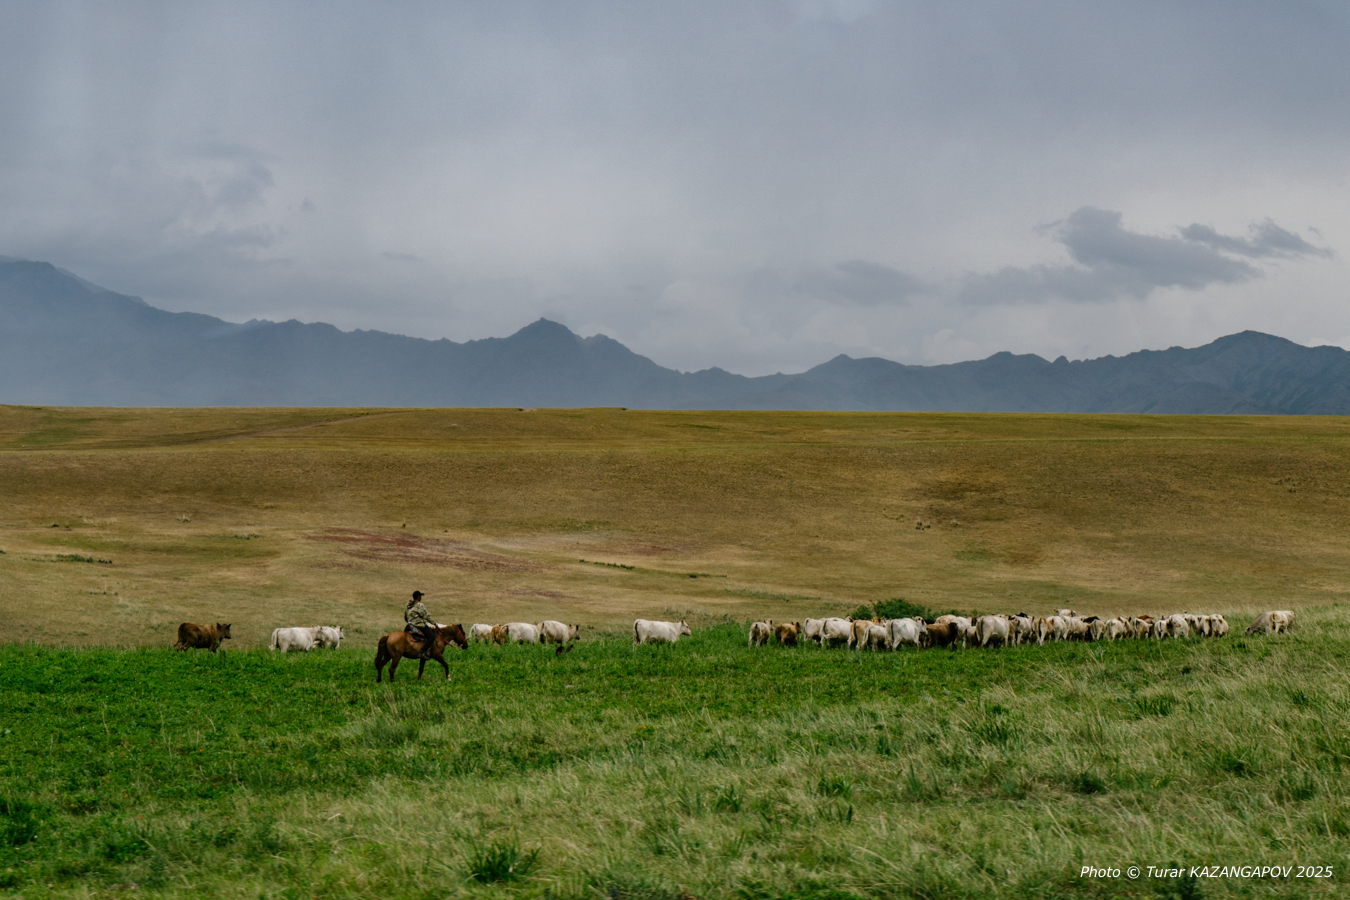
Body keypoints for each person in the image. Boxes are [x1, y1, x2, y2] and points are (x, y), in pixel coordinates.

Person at [404, 590, 436, 659]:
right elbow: (426, 616)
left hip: (409, 626)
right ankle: (422, 652)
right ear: (418, 597)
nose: (421, 597)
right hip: (419, 625)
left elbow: (405, 617)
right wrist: (434, 623)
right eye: (420, 596)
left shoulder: (408, 605)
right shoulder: (419, 605)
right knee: (432, 637)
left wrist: (410, 621)